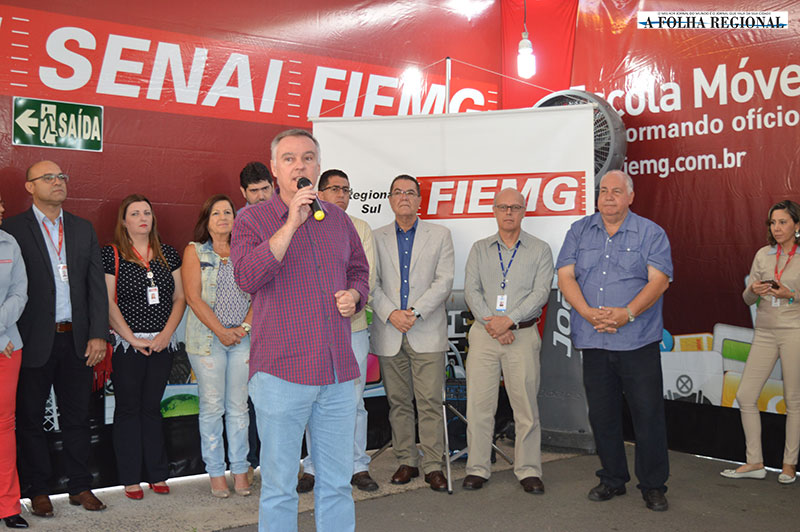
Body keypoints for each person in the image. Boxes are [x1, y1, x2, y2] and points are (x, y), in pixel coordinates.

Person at [231, 129, 369, 532]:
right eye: (289, 159)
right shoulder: (252, 220)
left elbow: (359, 271)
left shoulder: (338, 220)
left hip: (336, 372)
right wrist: (291, 222)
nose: (300, 165)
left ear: (318, 166)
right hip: (281, 373)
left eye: (308, 158)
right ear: (275, 169)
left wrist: (355, 295)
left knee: (337, 483)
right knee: (279, 486)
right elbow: (247, 276)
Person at [556, 170, 672, 512]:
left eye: (616, 191)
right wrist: (587, 313)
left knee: (647, 415)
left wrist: (628, 313)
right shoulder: (579, 230)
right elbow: (565, 275)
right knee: (603, 415)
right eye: (603, 190)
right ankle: (612, 478)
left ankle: (653, 485)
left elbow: (659, 281)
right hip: (593, 340)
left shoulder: (651, 233)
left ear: (631, 197)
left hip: (637, 340)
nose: (608, 196)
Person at [4, 161, 109, 517]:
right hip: (32, 340)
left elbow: (96, 288)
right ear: (30, 187)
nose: (57, 182)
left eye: (61, 176)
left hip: (77, 340)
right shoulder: (13, 229)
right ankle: (38, 490)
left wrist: (98, 334)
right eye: (47, 178)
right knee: (30, 418)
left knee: (77, 416)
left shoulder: (82, 228)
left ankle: (80, 486)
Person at [462, 188, 554, 494]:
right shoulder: (479, 249)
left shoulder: (540, 250)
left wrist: (509, 320)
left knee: (525, 407)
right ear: (494, 210)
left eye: (515, 207)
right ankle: (477, 468)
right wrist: (494, 324)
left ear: (524, 211)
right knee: (479, 405)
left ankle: (528, 469)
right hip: (484, 334)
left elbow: (540, 293)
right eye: (503, 207)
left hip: (522, 335)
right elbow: (471, 290)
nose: (509, 212)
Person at [370, 174, 454, 492]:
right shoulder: (375, 237)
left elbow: (444, 281)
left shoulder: (440, 235)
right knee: (398, 402)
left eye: (410, 192)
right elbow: (370, 282)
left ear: (420, 200)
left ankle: (433, 464)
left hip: (426, 329)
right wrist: (392, 314)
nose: (404, 197)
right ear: (390, 200)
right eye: (397, 192)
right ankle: (406, 460)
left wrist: (415, 312)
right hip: (389, 330)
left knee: (430, 401)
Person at [297, 169, 378, 494]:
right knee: (314, 399)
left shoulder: (360, 227)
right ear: (319, 193)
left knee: (353, 401)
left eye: (346, 189)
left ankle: (357, 465)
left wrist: (347, 299)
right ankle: (313, 467)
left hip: (352, 328)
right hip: (314, 331)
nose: (341, 195)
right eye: (334, 189)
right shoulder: (302, 224)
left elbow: (366, 276)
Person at [103, 194, 185, 500]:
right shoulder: (111, 254)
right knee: (128, 409)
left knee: (152, 408)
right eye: (135, 213)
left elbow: (180, 298)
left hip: (162, 343)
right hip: (128, 346)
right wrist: (132, 338)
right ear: (124, 221)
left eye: (146, 213)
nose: (142, 218)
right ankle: (130, 478)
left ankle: (157, 473)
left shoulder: (168, 254)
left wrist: (165, 334)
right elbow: (107, 302)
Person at [721, 200, 800, 484]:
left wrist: (790, 294)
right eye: (773, 223)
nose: (777, 228)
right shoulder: (763, 255)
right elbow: (747, 298)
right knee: (745, 395)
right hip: (764, 332)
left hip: (794, 331)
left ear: (797, 226)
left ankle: (789, 464)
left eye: (783, 222)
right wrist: (753, 290)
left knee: (793, 400)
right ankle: (755, 461)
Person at [183, 194, 253, 498]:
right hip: (208, 342)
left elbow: (259, 294)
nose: (223, 218)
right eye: (216, 213)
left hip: (242, 339)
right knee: (212, 408)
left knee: (239, 407)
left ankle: (240, 470)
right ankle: (215, 472)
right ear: (206, 220)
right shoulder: (195, 251)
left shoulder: (248, 251)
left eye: (228, 212)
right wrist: (222, 331)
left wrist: (243, 328)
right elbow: (193, 297)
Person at [238, 160, 273, 474]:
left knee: (283, 397)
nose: (261, 196)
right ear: (243, 193)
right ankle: (251, 462)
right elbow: (247, 278)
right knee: (249, 399)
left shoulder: (289, 216)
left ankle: (283, 462)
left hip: (280, 321)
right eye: (254, 191)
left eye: (265, 189)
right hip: (245, 326)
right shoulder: (240, 223)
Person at [0, 192, 29, 529]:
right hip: (4, 341)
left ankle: (8, 504)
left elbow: (20, 293)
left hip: (8, 347)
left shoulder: (9, 243)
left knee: (4, 427)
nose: (3, 208)